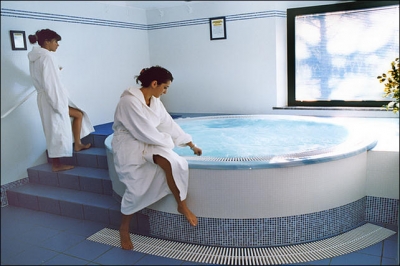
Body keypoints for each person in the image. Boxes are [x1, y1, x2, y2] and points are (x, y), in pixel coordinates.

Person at [112, 66, 202, 250]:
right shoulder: (129, 102)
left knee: (174, 162)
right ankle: (124, 228)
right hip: (130, 145)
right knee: (135, 190)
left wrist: (190, 144)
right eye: (165, 87)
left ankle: (181, 204)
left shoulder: (154, 101)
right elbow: (143, 131)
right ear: (154, 84)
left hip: (149, 141)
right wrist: (168, 142)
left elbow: (167, 123)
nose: (165, 91)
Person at [28, 29, 94, 172]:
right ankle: (56, 164)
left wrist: (57, 71)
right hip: (52, 98)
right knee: (55, 130)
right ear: (47, 42)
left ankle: (77, 144)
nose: (57, 45)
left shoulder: (36, 57)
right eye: (56, 41)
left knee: (78, 115)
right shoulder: (47, 57)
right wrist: (58, 105)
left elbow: (44, 78)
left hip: (45, 98)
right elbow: (50, 84)